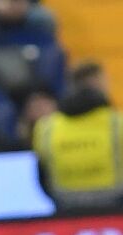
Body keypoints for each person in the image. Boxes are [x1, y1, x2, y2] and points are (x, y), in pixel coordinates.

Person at [33, 61, 123, 212]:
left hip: (65, 212)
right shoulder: (117, 123)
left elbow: (42, 177)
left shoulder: (45, 128)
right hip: (115, 212)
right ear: (97, 85)